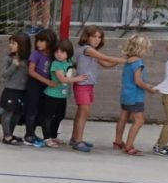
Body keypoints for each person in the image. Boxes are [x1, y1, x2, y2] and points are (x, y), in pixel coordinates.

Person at [69, 25, 123, 153]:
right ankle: (78, 141)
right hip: (82, 85)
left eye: (99, 37)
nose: (97, 39)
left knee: (81, 113)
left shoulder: (92, 52)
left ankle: (75, 138)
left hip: (88, 86)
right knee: (84, 113)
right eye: (94, 36)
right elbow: (106, 58)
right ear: (86, 37)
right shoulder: (87, 49)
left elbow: (107, 64)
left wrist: (119, 61)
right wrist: (125, 60)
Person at [114, 34, 156, 156]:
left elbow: (131, 80)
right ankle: (129, 145)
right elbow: (138, 81)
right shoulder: (138, 63)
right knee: (139, 120)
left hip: (125, 95)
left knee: (123, 117)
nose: (146, 51)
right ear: (140, 48)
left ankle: (117, 141)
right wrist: (149, 88)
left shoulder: (128, 61)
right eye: (145, 48)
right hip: (135, 96)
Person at [39, 39, 84, 147]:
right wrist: (78, 79)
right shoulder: (56, 64)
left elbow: (78, 59)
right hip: (51, 95)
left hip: (62, 96)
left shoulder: (69, 62)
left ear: (68, 53)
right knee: (48, 117)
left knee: (59, 116)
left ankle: (54, 136)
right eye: (56, 52)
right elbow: (62, 79)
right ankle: (47, 138)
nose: (59, 54)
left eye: (62, 52)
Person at [21, 28, 57, 147]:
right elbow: (31, 71)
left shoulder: (53, 55)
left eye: (42, 41)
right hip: (34, 84)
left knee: (40, 111)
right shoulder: (35, 54)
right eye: (38, 41)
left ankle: (34, 133)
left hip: (45, 87)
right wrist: (46, 81)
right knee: (31, 110)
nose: (39, 44)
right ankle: (29, 135)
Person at [0, 34, 31, 147]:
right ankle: (6, 136)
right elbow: (4, 75)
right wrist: (13, 65)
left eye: (13, 43)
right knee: (8, 112)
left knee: (18, 113)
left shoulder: (28, 59)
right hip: (11, 90)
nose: (10, 45)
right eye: (10, 43)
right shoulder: (9, 58)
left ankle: (10, 134)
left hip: (23, 91)